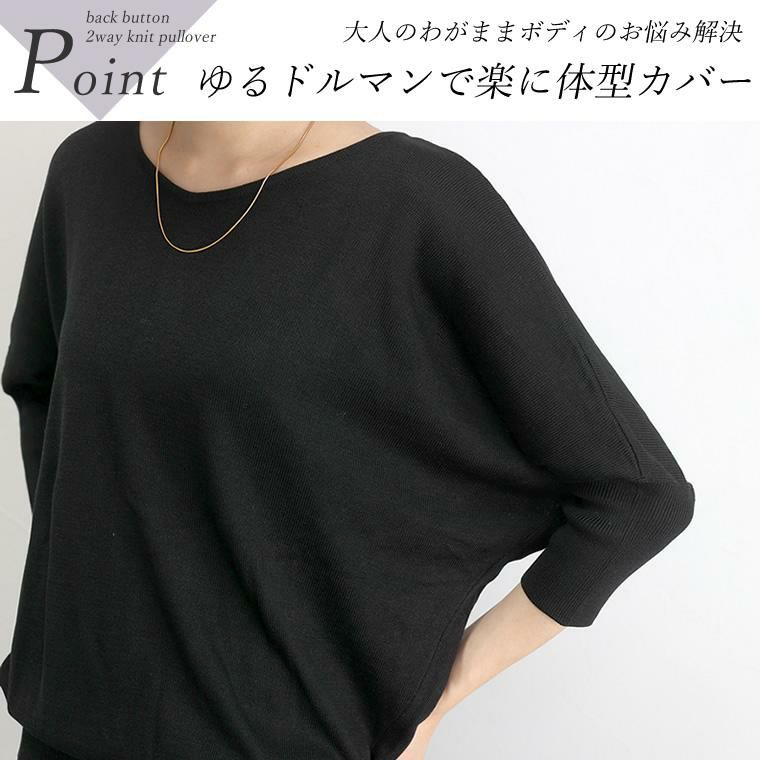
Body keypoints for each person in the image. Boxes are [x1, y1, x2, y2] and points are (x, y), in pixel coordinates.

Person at [1, 121, 695, 760]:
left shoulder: (416, 200)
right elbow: (42, 387)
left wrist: (437, 701)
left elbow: (639, 496)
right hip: (63, 726)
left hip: (279, 740)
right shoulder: (85, 169)